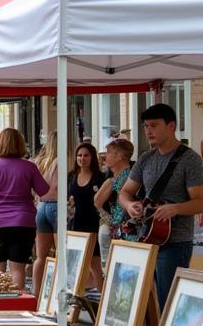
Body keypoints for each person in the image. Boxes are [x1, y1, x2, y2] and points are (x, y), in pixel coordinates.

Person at [118, 103, 203, 309]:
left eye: (154, 125)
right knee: (143, 303)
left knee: (169, 302)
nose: (148, 131)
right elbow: (124, 192)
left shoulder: (190, 160)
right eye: (146, 126)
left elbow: (200, 201)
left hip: (174, 242)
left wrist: (176, 208)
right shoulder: (147, 158)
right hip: (147, 237)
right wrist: (130, 206)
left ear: (171, 126)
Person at [0, 128, 49, 291]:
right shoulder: (29, 167)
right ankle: (17, 305)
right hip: (23, 221)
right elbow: (44, 190)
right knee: (18, 268)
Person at [68, 142, 106, 288]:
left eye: (86, 155)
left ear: (92, 158)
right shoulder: (71, 176)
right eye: (79, 155)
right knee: (77, 263)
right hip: (75, 224)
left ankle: (101, 295)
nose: (82, 158)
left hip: (93, 224)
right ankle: (79, 295)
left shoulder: (100, 177)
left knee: (95, 264)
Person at [94, 137, 135, 269]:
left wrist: (106, 218)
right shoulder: (114, 178)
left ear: (120, 156)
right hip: (117, 229)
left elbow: (100, 203)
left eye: (109, 152)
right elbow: (97, 202)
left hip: (123, 232)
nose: (105, 156)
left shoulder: (126, 177)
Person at [32, 131, 62, 297]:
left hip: (41, 207)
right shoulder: (61, 161)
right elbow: (57, 186)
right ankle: (57, 296)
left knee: (40, 256)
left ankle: (36, 294)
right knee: (60, 254)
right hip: (57, 206)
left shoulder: (40, 161)